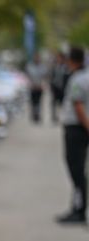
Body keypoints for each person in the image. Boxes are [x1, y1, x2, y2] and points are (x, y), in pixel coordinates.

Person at [58, 46, 88, 228]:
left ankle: (79, 209)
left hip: (76, 129)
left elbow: (78, 106)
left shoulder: (77, 79)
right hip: (80, 127)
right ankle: (78, 206)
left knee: (76, 170)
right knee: (79, 170)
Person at [26, 53, 47, 123]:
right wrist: (31, 84)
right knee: (33, 102)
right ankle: (34, 115)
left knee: (38, 102)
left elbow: (44, 76)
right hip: (32, 87)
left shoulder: (42, 67)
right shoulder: (30, 66)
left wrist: (42, 85)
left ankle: (37, 115)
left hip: (39, 87)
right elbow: (28, 77)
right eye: (36, 58)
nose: (37, 59)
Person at [50, 49, 70, 124]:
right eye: (58, 58)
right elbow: (52, 76)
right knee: (54, 103)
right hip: (55, 88)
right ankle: (54, 117)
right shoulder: (55, 66)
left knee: (63, 104)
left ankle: (63, 116)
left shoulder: (66, 67)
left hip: (63, 88)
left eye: (60, 58)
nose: (59, 59)